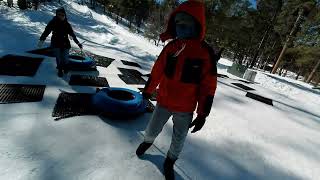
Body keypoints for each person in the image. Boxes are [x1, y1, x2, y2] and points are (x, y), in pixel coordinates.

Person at [136, 0, 219, 179]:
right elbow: (157, 70)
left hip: (185, 109)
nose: (179, 27)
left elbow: (208, 86)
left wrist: (203, 114)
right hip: (163, 102)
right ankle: (147, 142)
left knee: (179, 139)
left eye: (184, 24)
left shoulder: (205, 53)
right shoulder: (171, 47)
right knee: (151, 129)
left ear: (196, 25)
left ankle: (170, 161)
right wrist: (147, 91)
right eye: (177, 24)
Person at [38, 7, 83, 77]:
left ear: (65, 15)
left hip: (65, 43)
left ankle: (65, 67)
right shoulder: (53, 22)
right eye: (59, 14)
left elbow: (72, 34)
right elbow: (46, 31)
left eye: (62, 15)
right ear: (57, 15)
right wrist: (42, 40)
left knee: (65, 57)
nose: (61, 16)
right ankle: (60, 69)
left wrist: (78, 43)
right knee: (58, 57)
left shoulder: (67, 24)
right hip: (56, 43)